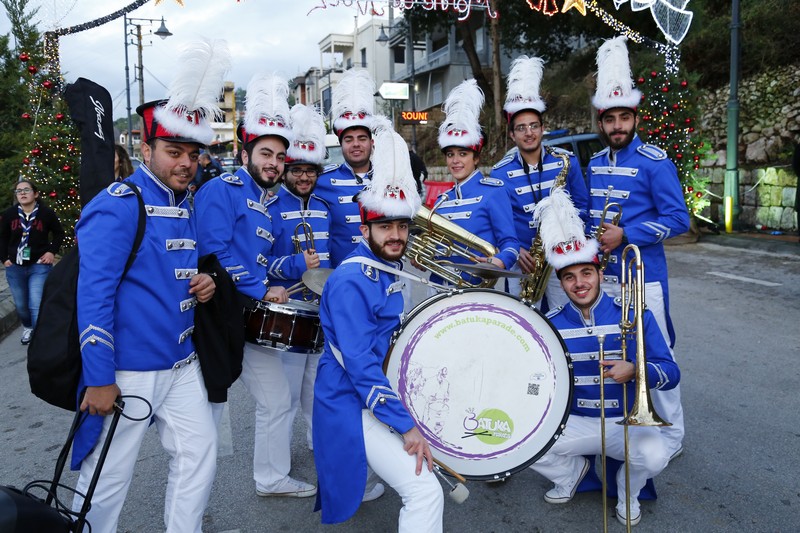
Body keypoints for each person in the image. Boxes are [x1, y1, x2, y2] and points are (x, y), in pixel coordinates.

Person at [70, 38, 229, 533]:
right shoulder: (120, 201)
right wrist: (99, 377)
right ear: (146, 147)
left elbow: (170, 271)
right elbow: (92, 294)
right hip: (128, 370)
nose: (185, 162)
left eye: (192, 153)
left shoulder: (186, 202)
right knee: (107, 477)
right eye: (173, 150)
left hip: (181, 364)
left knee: (200, 454)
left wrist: (202, 282)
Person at [313, 125, 444, 531]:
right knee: (425, 491)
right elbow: (359, 365)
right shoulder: (353, 280)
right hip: (349, 401)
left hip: (368, 392)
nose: (396, 235)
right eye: (385, 227)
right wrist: (406, 425)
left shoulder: (386, 270)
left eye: (402, 227)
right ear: (364, 229)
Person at [529, 188, 680, 527]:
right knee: (520, 444)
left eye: (586, 273)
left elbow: (671, 372)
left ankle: (629, 490)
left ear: (599, 273)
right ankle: (571, 474)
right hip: (575, 422)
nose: (579, 283)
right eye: (569, 277)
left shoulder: (634, 313)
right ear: (561, 282)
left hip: (624, 422)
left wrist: (637, 370)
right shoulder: (547, 325)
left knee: (656, 455)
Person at [195, 73, 316, 498]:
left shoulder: (269, 205)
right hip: (216, 317)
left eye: (281, 157)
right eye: (266, 153)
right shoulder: (220, 190)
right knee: (203, 418)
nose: (275, 163)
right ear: (244, 152)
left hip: (247, 319)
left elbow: (267, 263)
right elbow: (213, 254)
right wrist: (261, 289)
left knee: (277, 400)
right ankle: (192, 510)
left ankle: (270, 478)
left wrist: (298, 270)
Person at [587, 36, 689, 460]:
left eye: (623, 118)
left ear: (634, 117)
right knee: (617, 354)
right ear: (602, 121)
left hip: (645, 279)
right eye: (609, 119)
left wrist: (626, 234)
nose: (617, 127)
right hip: (607, 280)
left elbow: (679, 220)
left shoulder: (654, 160)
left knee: (656, 351)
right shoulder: (592, 164)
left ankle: (673, 436)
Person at [490, 55, 589, 308]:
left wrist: (573, 239)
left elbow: (583, 207)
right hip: (524, 262)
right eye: (521, 128)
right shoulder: (500, 173)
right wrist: (515, 250)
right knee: (521, 326)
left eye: (534, 125)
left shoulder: (566, 161)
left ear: (543, 128)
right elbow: (499, 222)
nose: (529, 132)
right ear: (512, 135)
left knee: (567, 319)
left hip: (564, 257)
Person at [263, 103, 331, 455]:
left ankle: (320, 452)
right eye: (297, 171)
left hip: (322, 308)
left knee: (317, 392)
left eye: (310, 171)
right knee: (284, 399)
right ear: (286, 170)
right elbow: (260, 262)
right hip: (288, 307)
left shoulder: (322, 207)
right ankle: (273, 473)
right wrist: (293, 263)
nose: (304, 177)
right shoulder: (270, 206)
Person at [427, 79, 519, 287]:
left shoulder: (493, 192)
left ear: (476, 158)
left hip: (479, 287)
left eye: (463, 154)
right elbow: (437, 247)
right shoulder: (443, 200)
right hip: (442, 286)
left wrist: (500, 260)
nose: (455, 160)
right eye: (450, 154)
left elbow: (510, 244)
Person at [314, 68, 376, 267]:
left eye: (362, 138)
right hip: (341, 274)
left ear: (372, 142)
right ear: (341, 145)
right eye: (348, 139)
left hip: (384, 273)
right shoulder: (321, 180)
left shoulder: (390, 177)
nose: (356, 144)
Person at [0, 179, 64, 344]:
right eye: (19, 191)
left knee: (35, 302)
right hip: (15, 266)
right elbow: (2, 238)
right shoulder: (9, 215)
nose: (22, 193)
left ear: (35, 194)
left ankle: (38, 337)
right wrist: (5, 259)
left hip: (39, 265)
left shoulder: (46, 213)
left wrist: (51, 251)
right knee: (21, 305)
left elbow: (59, 234)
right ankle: (28, 327)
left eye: (26, 190)